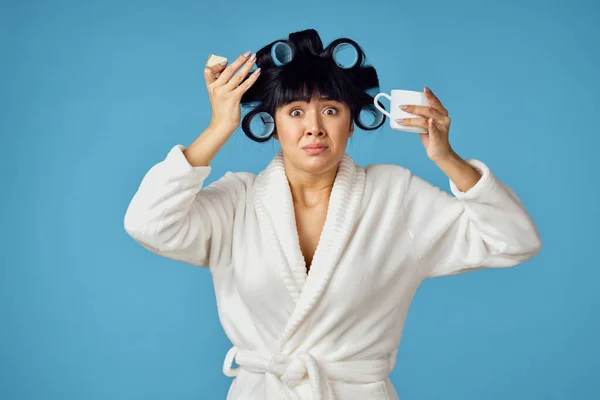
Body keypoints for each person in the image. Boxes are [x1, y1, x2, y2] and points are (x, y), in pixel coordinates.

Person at [123, 29, 542, 400]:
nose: (313, 128)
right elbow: (148, 224)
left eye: (330, 110)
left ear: (352, 123)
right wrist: (218, 127)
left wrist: (446, 158)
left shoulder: (393, 196)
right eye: (295, 112)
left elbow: (514, 241)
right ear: (272, 123)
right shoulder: (238, 201)